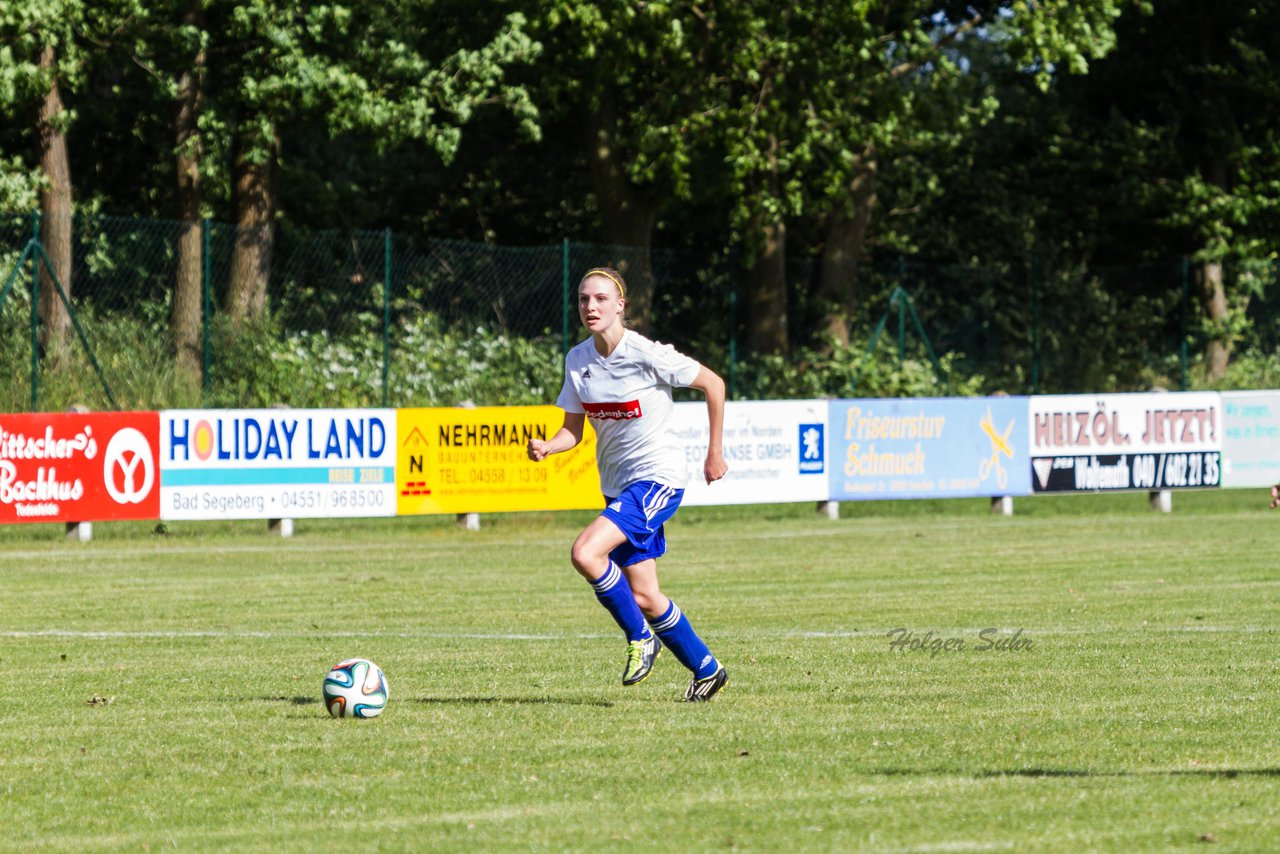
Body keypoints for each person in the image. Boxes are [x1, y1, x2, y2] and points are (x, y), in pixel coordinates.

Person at [527, 267, 730, 702]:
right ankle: (707, 669)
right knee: (645, 593)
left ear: (621, 304)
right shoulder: (578, 360)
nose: (590, 307)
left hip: (658, 477)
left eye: (600, 299)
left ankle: (641, 638)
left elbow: (714, 383)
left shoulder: (647, 353)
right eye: (583, 300)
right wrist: (548, 445)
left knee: (585, 552)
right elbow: (574, 432)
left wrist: (714, 452)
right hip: (618, 486)